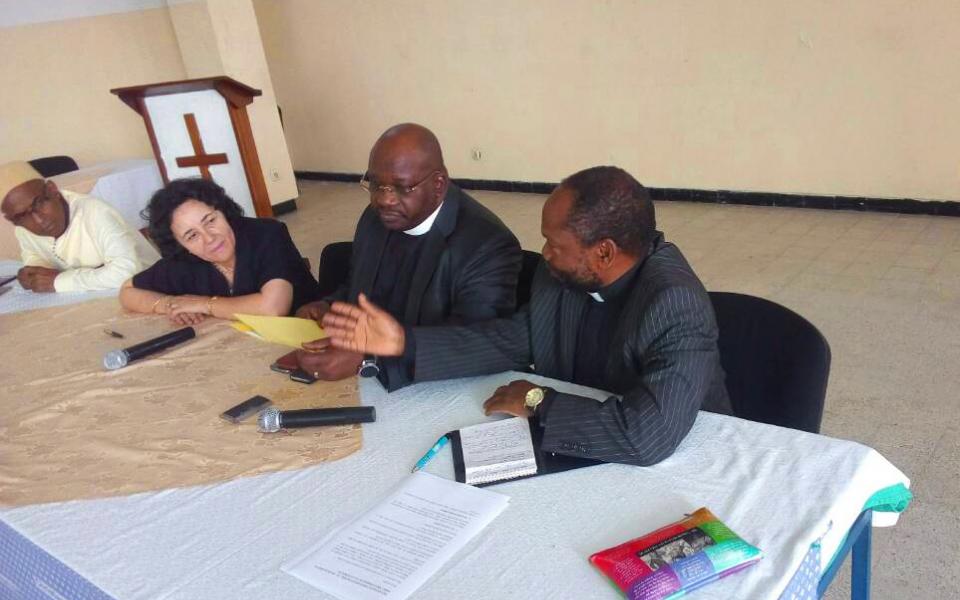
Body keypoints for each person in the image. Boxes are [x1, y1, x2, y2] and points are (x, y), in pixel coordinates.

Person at [321, 166, 732, 467]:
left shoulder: (675, 304)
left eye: (554, 244)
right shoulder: (563, 274)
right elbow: (512, 339)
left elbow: (648, 435)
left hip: (689, 462)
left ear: (604, 252)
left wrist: (539, 401)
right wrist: (403, 343)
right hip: (586, 441)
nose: (545, 254)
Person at [295, 123, 522, 391]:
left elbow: (472, 346)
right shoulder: (374, 219)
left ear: (438, 184)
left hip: (436, 387)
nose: (384, 199)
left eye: (402, 188)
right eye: (376, 184)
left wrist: (371, 360)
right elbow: (364, 289)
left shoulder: (486, 245)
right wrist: (328, 308)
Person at [120, 178, 319, 325]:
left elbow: (273, 308)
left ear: (222, 211)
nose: (209, 238)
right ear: (180, 244)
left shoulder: (267, 234)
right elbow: (128, 291)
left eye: (210, 221)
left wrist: (205, 304)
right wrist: (171, 304)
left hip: (303, 336)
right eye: (192, 236)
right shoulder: (183, 260)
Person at [0, 161, 159, 292]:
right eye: (22, 216)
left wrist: (58, 282)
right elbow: (35, 255)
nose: (39, 220)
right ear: (13, 220)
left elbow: (127, 272)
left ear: (52, 189)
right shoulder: (22, 229)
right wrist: (34, 272)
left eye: (39, 203)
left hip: (151, 288)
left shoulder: (94, 211)